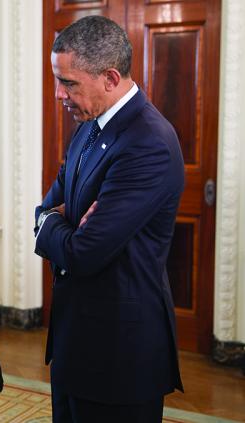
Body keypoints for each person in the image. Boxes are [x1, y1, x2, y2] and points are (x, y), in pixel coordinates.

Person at [34, 16, 184, 423]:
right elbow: (45, 210)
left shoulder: (148, 142)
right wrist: (55, 220)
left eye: (68, 83)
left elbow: (83, 253)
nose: (58, 94)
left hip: (120, 356)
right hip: (74, 345)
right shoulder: (88, 124)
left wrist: (53, 223)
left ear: (110, 78)